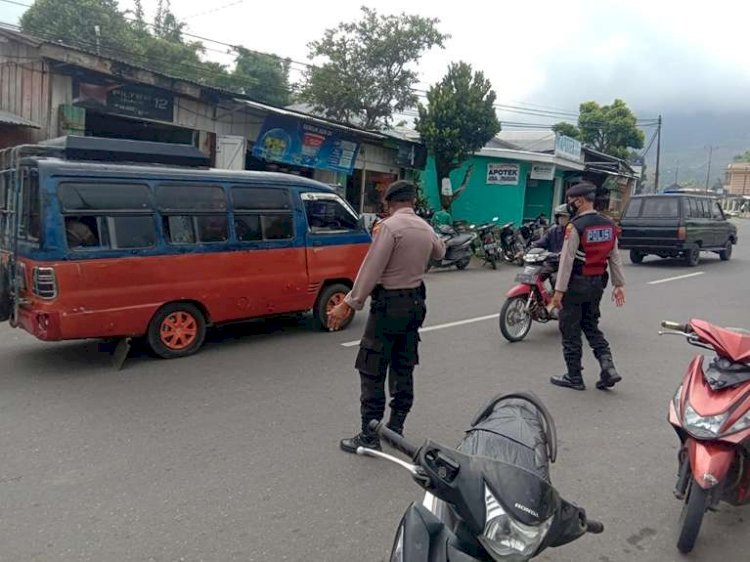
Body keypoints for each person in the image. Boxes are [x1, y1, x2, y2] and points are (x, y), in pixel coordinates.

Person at [328, 180, 446, 452]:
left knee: (372, 366)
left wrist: (349, 303)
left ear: (389, 202)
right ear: (412, 202)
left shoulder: (389, 227)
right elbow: (440, 252)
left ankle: (369, 436)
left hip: (389, 305)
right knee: (403, 365)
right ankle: (396, 427)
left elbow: (372, 268)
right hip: (415, 303)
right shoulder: (425, 227)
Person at [548, 181, 626, 391]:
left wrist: (558, 292)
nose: (569, 205)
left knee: (570, 328)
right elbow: (614, 256)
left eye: (571, 202)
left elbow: (567, 261)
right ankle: (608, 367)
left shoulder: (576, 226)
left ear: (580, 201)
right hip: (597, 284)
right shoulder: (608, 224)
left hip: (575, 285)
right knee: (590, 325)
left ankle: (574, 377)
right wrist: (619, 284)